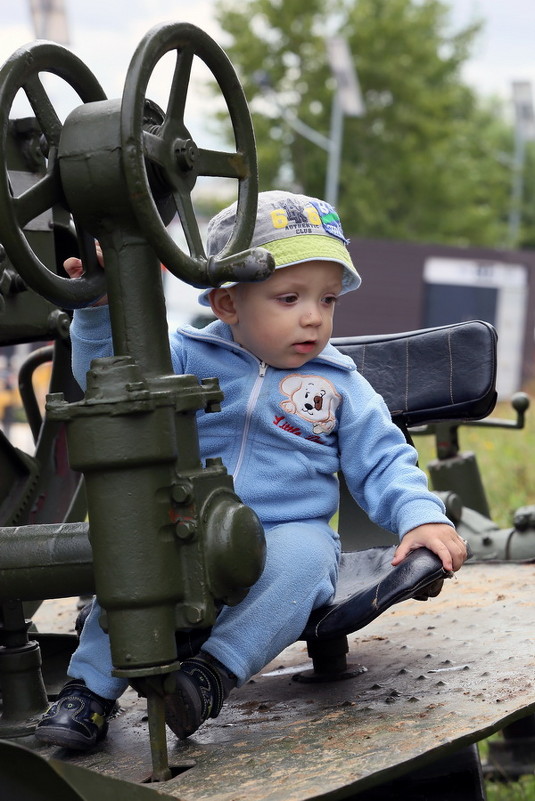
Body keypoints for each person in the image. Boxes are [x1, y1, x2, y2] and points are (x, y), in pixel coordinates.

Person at [36, 190, 467, 750]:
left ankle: (210, 676)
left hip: (286, 531)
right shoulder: (185, 356)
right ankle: (90, 692)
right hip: (185, 524)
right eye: (289, 298)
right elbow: (113, 376)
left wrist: (420, 516)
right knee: (135, 559)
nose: (314, 317)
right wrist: (94, 311)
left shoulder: (341, 385)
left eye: (328, 300)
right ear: (227, 305)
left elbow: (384, 459)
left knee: (311, 558)